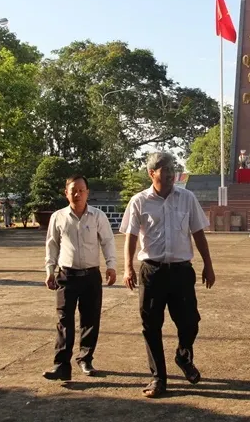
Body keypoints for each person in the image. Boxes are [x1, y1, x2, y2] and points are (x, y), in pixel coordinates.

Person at [120, 152, 215, 398]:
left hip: (182, 272)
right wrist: (127, 267)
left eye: (172, 169)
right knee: (151, 326)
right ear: (152, 174)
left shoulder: (187, 198)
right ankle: (158, 378)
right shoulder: (139, 201)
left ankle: (183, 357)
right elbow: (130, 236)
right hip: (152, 272)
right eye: (165, 170)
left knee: (190, 323)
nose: (171, 174)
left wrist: (208, 264)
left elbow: (198, 232)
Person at [43, 175, 117, 381]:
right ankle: (61, 365)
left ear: (87, 193)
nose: (77, 194)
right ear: (66, 193)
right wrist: (49, 270)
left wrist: (111, 266)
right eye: (73, 190)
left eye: (81, 190)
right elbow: (52, 245)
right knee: (64, 320)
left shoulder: (97, 216)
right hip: (66, 276)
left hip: (91, 276)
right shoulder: (58, 217)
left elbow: (108, 242)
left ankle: (85, 358)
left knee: (90, 319)